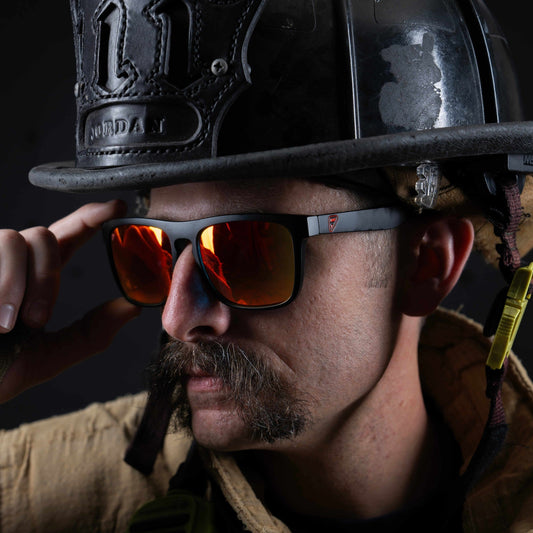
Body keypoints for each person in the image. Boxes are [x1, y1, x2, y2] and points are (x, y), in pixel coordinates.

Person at [1, 0, 533, 531]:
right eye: (153, 251)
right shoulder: (43, 492)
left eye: (248, 252)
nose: (177, 318)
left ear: (425, 264)